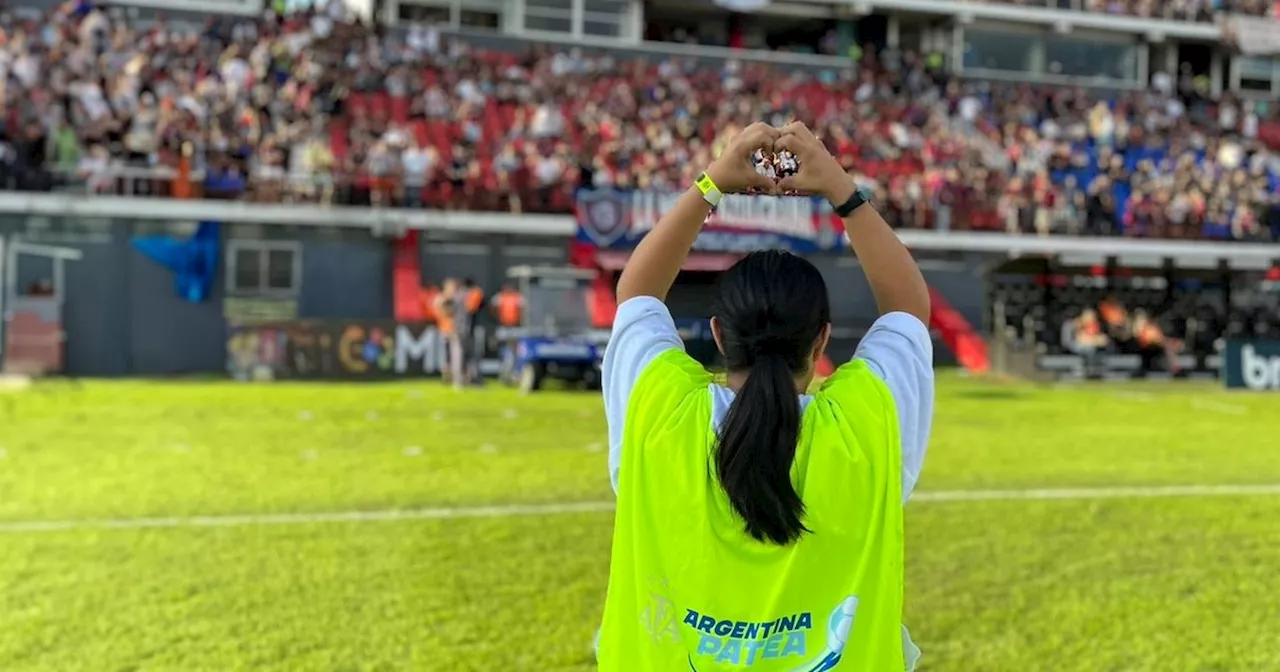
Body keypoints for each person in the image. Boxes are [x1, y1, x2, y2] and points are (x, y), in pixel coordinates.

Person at [598, 122, 933, 671]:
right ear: (822, 341)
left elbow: (635, 294)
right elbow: (907, 313)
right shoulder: (866, 424)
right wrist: (841, 191)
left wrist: (712, 185)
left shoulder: (659, 413)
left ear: (719, 335)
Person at [434, 278, 471, 390]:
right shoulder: (441, 298)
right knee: (446, 357)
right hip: (444, 330)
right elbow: (440, 310)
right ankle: (448, 376)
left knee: (457, 356)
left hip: (456, 330)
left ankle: (458, 380)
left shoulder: (459, 298)